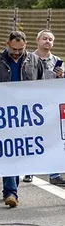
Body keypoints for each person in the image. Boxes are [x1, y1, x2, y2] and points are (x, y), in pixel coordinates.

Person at [0, 31, 44, 207]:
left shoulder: (34, 61)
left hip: (25, 115)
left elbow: (42, 85)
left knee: (19, 153)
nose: (17, 52)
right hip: (3, 115)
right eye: (13, 49)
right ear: (6, 43)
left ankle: (11, 186)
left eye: (20, 49)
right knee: (8, 151)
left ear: (26, 45)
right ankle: (11, 191)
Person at [31, 30, 65, 185]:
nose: (47, 42)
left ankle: (54, 173)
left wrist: (61, 76)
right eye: (45, 38)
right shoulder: (28, 59)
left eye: (50, 39)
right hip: (31, 104)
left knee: (53, 138)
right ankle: (29, 170)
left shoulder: (58, 61)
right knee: (31, 138)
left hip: (51, 106)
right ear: (37, 40)